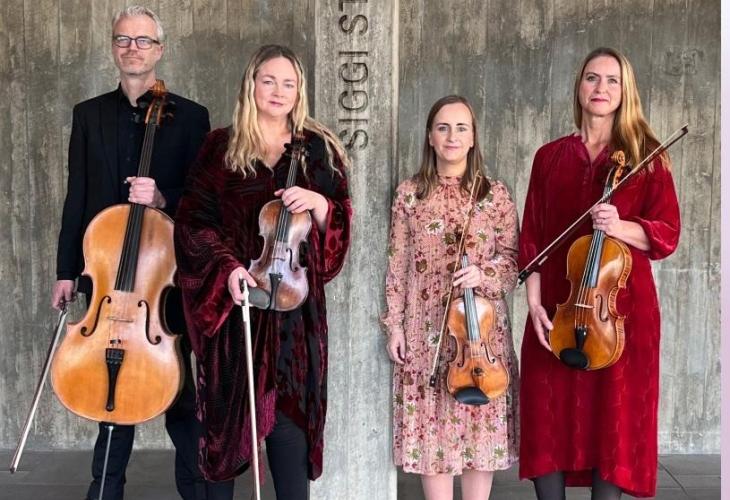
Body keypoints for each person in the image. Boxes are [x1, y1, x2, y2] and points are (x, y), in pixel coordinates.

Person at [173, 44, 352, 500]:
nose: (278, 91)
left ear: (299, 91)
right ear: (251, 84)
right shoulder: (220, 146)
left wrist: (320, 204)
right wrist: (227, 268)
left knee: (290, 429)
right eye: (268, 80)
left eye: (288, 83)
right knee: (225, 430)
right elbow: (193, 222)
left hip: (294, 314)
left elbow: (340, 223)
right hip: (235, 310)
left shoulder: (318, 149)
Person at [51, 6, 214, 500]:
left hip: (163, 280)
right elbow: (77, 196)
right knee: (110, 399)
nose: (132, 48)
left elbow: (204, 200)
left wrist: (163, 198)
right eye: (123, 39)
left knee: (180, 396)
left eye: (143, 41)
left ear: (159, 50)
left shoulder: (191, 117)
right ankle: (105, 491)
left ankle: (197, 490)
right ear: (113, 48)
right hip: (106, 278)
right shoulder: (88, 114)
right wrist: (66, 271)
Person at [518, 47, 681, 499]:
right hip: (558, 304)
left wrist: (621, 226)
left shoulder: (647, 158)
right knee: (547, 415)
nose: (601, 88)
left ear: (625, 92)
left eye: (612, 80)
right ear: (579, 86)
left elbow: (668, 233)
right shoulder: (548, 157)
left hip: (620, 313)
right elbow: (532, 237)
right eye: (592, 78)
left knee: (614, 422)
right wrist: (533, 304)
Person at [382, 95, 519, 500]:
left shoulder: (494, 195)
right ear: (430, 136)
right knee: (433, 438)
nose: (452, 136)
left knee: (479, 433)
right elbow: (397, 263)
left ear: (473, 137)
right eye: (443, 128)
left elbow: (513, 262)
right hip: (425, 330)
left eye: (461, 128)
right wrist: (394, 325)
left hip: (480, 334)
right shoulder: (410, 194)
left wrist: (484, 273)